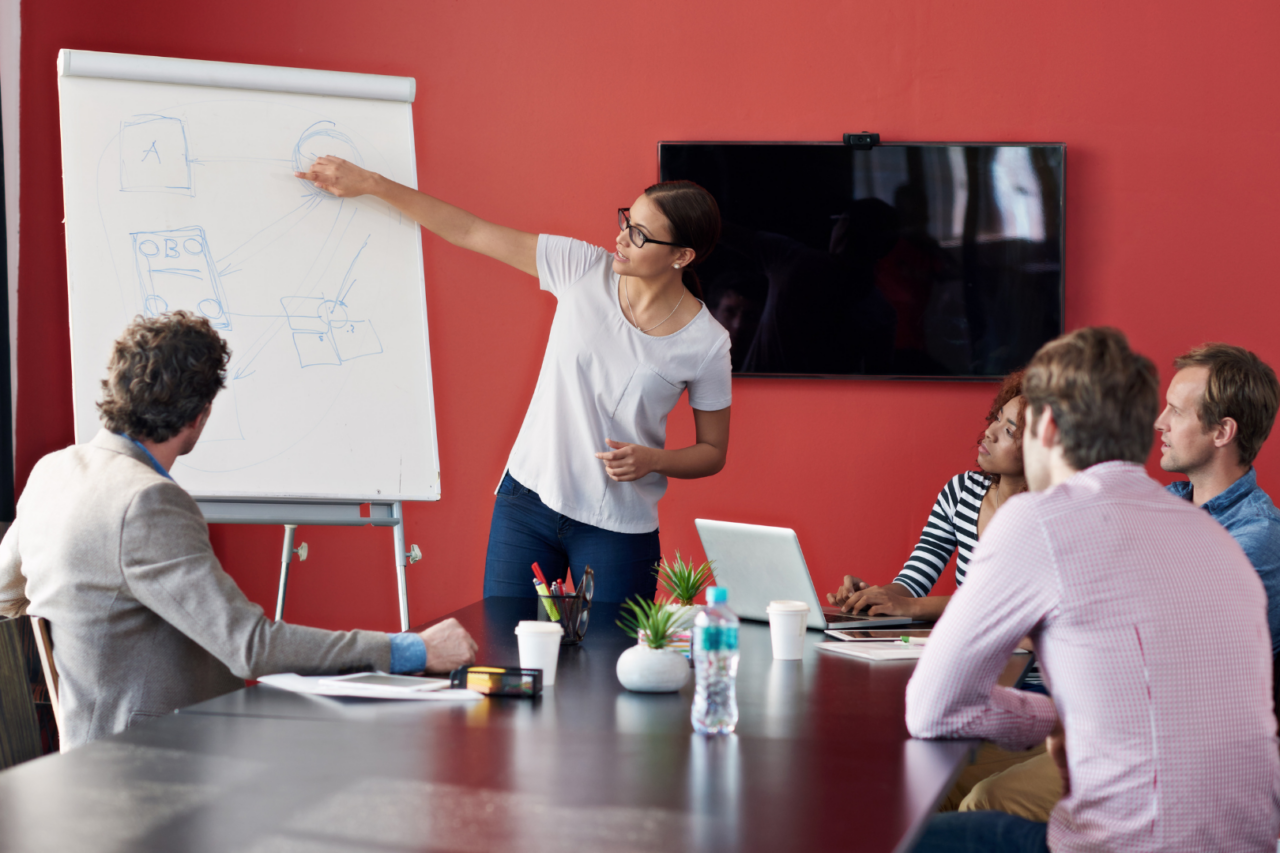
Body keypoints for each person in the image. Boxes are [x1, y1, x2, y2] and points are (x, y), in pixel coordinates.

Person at [0, 312, 477, 750]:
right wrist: (411, 649)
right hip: (157, 769)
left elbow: (7, 593)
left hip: (88, 755)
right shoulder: (146, 501)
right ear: (198, 415)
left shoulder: (53, 472)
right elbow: (251, 647)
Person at [906, 327, 1280, 852]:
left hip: (1141, 831)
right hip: (1242, 830)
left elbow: (931, 710)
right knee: (945, 787)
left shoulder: (1041, 519)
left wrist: (1054, 714)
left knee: (913, 824)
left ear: (1048, 426)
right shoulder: (1197, 529)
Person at [295, 159, 732, 604]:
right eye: (627, 220)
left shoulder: (707, 343)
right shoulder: (580, 267)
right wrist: (370, 184)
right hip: (527, 502)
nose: (621, 237)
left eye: (639, 234)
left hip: (617, 524)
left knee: (608, 669)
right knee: (504, 661)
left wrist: (654, 460)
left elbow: (712, 452)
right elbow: (469, 230)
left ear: (682, 256)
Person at [828, 369, 1028, 622]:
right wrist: (870, 598)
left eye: (1009, 431)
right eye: (997, 418)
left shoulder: (1048, 516)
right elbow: (913, 582)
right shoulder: (961, 492)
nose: (990, 431)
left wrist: (910, 607)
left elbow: (1001, 603)